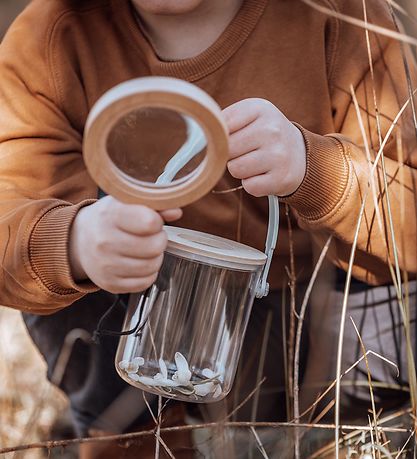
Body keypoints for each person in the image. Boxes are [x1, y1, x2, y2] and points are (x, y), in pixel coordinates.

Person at [0, 0, 416, 457]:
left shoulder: (341, 17)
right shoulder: (51, 36)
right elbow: (9, 222)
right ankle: (139, 439)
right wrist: (76, 243)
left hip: (318, 334)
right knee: (55, 255)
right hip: (138, 329)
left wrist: (318, 171)